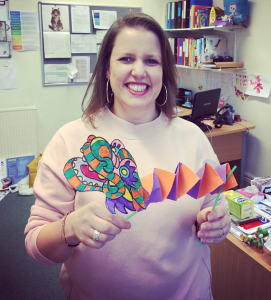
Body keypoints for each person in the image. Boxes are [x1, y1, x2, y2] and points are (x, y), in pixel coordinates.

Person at [25, 12, 231, 300]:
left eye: (151, 61)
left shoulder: (193, 137)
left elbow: (215, 206)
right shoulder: (69, 141)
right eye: (126, 59)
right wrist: (69, 228)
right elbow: (37, 247)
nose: (139, 71)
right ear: (107, 69)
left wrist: (218, 222)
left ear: (164, 71)